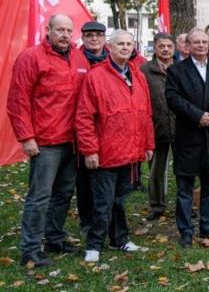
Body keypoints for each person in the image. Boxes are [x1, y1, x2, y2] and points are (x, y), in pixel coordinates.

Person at [7, 14, 87, 267]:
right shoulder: (31, 58)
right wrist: (26, 138)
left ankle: (54, 237)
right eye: (60, 30)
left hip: (71, 140)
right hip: (45, 141)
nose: (65, 35)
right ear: (48, 30)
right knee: (39, 196)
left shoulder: (77, 57)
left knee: (63, 194)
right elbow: (18, 101)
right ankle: (30, 249)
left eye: (68, 30)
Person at [75, 30, 155, 263]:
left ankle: (120, 239)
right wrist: (90, 150)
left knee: (119, 200)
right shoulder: (96, 76)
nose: (125, 48)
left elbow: (146, 114)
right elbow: (84, 116)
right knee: (103, 202)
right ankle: (94, 244)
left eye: (129, 44)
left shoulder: (138, 76)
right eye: (120, 43)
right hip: (106, 152)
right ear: (109, 47)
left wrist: (148, 144)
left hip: (130, 152)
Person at [165, 28, 209, 247]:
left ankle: (207, 227)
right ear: (188, 45)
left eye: (205, 42)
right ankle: (185, 231)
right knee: (185, 188)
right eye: (196, 42)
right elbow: (172, 98)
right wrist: (197, 115)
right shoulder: (177, 70)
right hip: (188, 136)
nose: (202, 45)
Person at [75, 21, 109, 236]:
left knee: (106, 179)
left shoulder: (112, 58)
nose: (94, 39)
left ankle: (106, 220)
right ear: (83, 38)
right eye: (89, 35)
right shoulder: (74, 59)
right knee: (84, 179)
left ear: (104, 38)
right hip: (82, 125)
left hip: (108, 128)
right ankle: (87, 222)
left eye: (98, 35)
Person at [141, 33, 177, 221]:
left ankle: (184, 202)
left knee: (183, 169)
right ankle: (156, 205)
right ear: (155, 48)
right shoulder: (144, 70)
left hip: (180, 127)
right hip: (157, 126)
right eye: (161, 46)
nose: (165, 49)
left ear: (174, 48)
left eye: (169, 46)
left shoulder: (181, 68)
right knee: (156, 169)